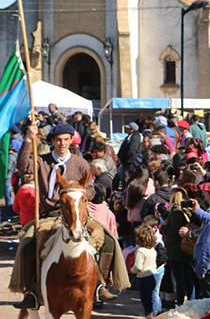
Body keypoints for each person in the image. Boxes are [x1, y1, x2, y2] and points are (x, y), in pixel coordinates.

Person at [10, 123, 126, 308]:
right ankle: (31, 289)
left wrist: (79, 196)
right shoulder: (43, 160)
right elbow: (23, 165)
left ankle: (100, 285)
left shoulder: (80, 163)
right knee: (27, 242)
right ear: (53, 141)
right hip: (50, 214)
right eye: (58, 140)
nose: (62, 143)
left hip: (77, 214)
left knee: (109, 240)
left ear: (71, 140)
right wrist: (28, 139)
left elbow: (90, 188)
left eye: (65, 139)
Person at [163, 186, 198, 305]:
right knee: (188, 277)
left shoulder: (176, 213)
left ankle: (181, 303)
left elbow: (173, 231)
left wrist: (163, 226)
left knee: (180, 279)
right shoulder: (188, 212)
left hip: (176, 250)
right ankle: (191, 301)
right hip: (188, 248)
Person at [131, 224, 160, 317]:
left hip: (143, 277)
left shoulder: (140, 251)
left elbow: (138, 266)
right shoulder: (152, 250)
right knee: (154, 296)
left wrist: (132, 270)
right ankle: (156, 313)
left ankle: (149, 315)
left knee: (146, 299)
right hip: (154, 274)